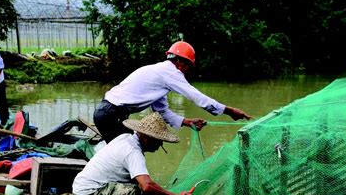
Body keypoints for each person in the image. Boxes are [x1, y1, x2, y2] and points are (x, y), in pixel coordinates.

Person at [93, 41, 253, 143]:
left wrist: (187, 122)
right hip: (110, 115)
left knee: (129, 147)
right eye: (188, 67)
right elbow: (197, 97)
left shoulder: (160, 76)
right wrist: (229, 111)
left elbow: (161, 112)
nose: (187, 72)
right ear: (180, 61)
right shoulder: (170, 72)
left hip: (107, 113)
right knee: (130, 149)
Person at [72, 112, 192, 195]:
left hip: (80, 189)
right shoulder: (133, 152)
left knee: (136, 185)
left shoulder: (125, 137)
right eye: (158, 140)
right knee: (135, 192)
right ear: (146, 138)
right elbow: (147, 186)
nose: (160, 145)